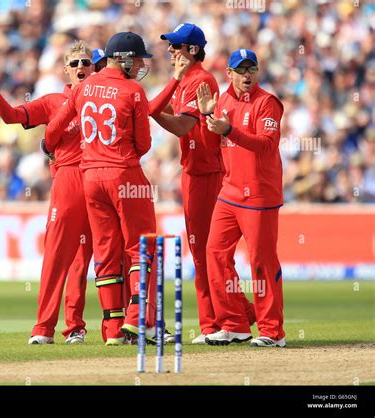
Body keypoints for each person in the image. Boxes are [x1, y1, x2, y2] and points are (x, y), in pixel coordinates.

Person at [45, 32, 175, 345]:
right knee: (140, 248)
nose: (142, 63)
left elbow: (52, 131)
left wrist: (51, 152)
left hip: (90, 178)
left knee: (105, 253)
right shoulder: (133, 90)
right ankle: (138, 320)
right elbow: (143, 145)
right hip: (125, 175)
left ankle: (113, 331)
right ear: (125, 59)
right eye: (139, 58)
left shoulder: (84, 87)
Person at [0, 40, 95, 345]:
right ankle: (43, 328)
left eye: (86, 62)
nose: (81, 67)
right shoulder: (53, 101)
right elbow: (11, 117)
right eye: (75, 64)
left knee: (84, 260)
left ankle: (76, 328)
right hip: (69, 179)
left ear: (95, 67)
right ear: (65, 70)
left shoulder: (103, 101)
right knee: (57, 256)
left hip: (99, 178)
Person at [154, 23, 256, 344]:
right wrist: (164, 94)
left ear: (193, 50)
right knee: (202, 253)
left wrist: (158, 100)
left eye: (177, 46)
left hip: (208, 174)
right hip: (193, 172)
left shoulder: (202, 80)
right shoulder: (187, 81)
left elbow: (182, 126)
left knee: (209, 253)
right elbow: (159, 110)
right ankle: (231, 318)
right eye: (171, 46)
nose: (171, 51)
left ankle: (225, 321)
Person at [197, 48, 285, 347]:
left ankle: (273, 332)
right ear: (229, 74)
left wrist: (230, 129)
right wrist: (207, 115)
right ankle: (235, 323)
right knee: (215, 254)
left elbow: (266, 145)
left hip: (260, 195)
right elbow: (211, 141)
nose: (247, 75)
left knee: (262, 262)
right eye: (241, 70)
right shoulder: (221, 100)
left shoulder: (267, 103)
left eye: (252, 69)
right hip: (230, 192)